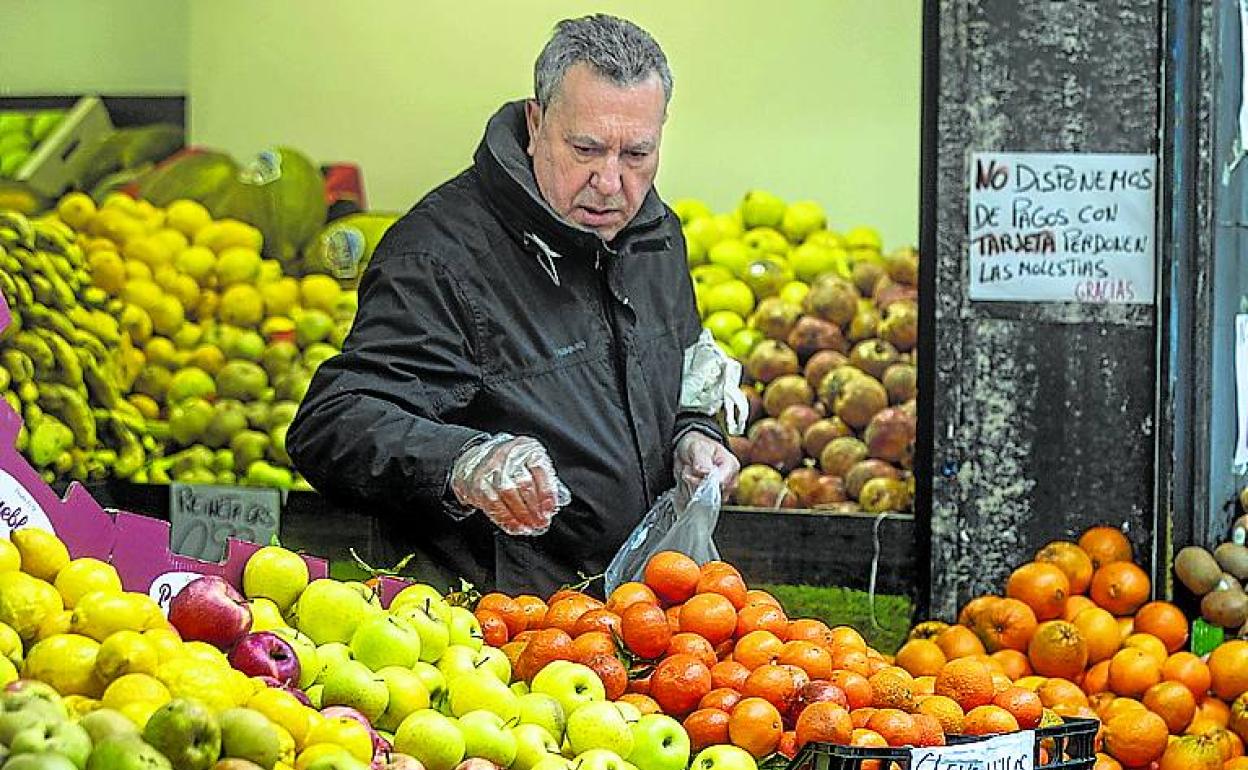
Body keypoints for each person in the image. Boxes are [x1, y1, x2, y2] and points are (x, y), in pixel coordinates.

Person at [287, 13, 739, 595]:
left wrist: (694, 435)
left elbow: (678, 370)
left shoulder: (654, 236)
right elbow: (332, 422)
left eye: (637, 154)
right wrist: (464, 461)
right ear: (535, 122)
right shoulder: (437, 255)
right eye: (586, 149)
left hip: (635, 616)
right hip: (497, 632)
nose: (610, 181)